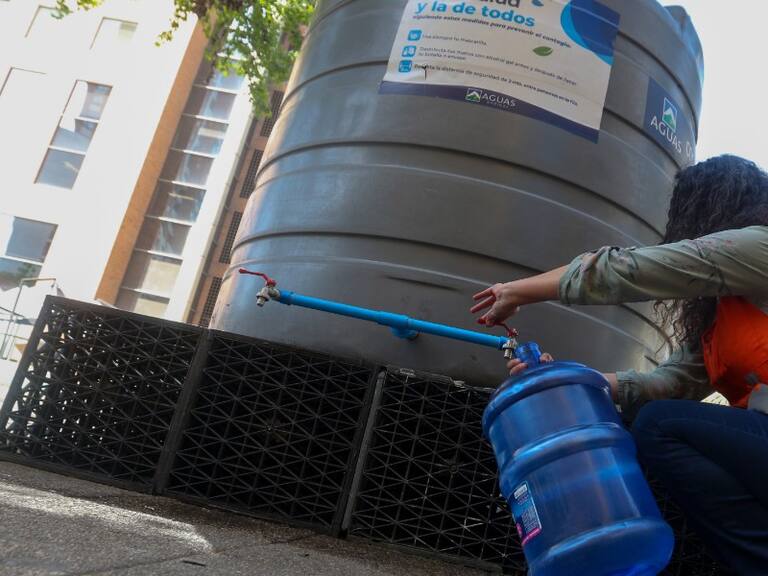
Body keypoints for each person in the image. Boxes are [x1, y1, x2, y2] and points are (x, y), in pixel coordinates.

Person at [470, 155, 768, 575]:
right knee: (645, 428)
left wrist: (517, 291)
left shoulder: (760, 247)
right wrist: (567, 383)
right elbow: (673, 383)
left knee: (660, 425)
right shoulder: (723, 315)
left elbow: (633, 270)